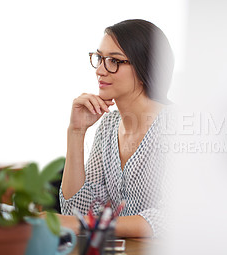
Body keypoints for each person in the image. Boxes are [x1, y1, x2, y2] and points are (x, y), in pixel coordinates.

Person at [58, 19, 174, 238]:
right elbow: (78, 211)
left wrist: (85, 225)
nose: (100, 70)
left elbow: (170, 218)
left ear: (145, 67)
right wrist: (76, 132)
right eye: (100, 58)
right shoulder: (109, 125)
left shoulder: (175, 127)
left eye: (113, 61)